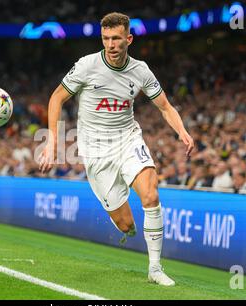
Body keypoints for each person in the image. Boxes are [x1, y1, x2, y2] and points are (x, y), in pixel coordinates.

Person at [39, 12, 194, 286]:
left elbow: (166, 106)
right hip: (96, 150)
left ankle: (155, 268)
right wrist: (52, 139)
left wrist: (181, 131)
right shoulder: (87, 66)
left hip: (128, 139)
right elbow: (56, 98)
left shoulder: (141, 70)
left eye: (116, 39)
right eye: (106, 39)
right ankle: (123, 220)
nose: (110, 45)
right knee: (127, 226)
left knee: (150, 194)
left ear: (128, 39)